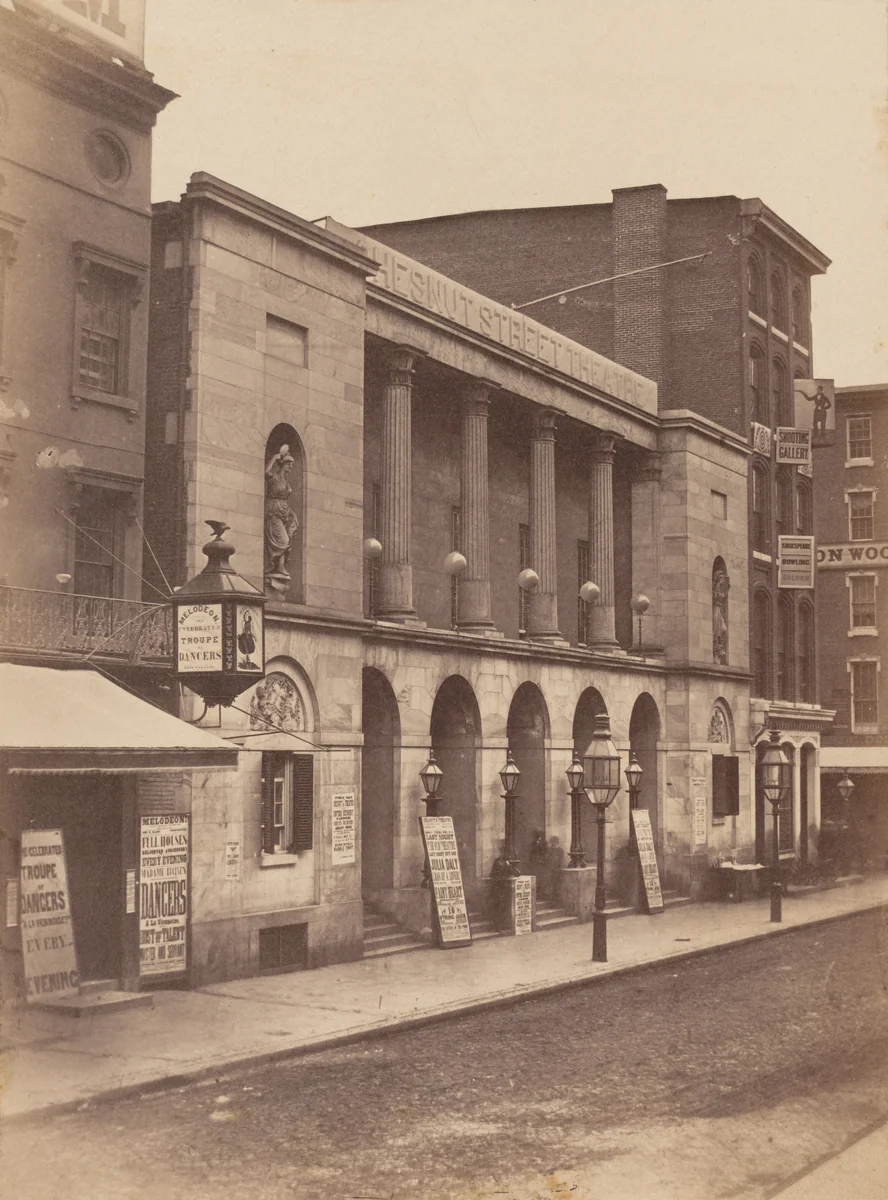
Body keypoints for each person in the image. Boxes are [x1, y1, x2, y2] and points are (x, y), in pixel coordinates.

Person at [265, 445, 299, 577]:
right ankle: (278, 568)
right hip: (273, 512)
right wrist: (274, 458)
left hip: (283, 513)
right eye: (289, 463)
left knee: (286, 540)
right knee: (283, 541)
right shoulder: (275, 477)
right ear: (283, 464)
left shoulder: (286, 482)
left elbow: (284, 500)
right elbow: (266, 473)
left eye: (291, 464)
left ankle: (280, 568)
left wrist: (293, 515)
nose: (290, 466)